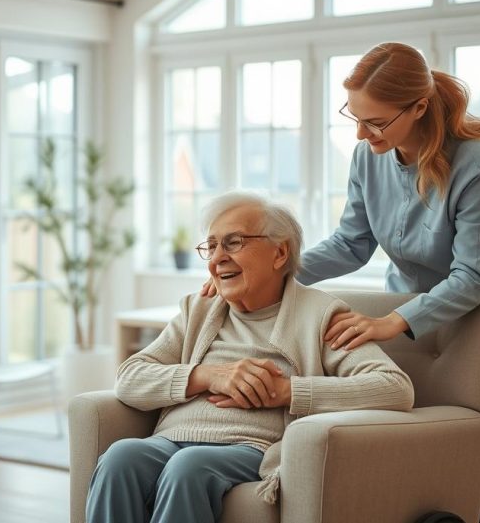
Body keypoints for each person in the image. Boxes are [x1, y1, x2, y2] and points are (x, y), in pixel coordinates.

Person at [201, 42, 480, 523]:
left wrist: (392, 323)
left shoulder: (476, 164)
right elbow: (351, 243)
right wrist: (263, 271)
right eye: (354, 116)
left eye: (375, 121)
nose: (360, 132)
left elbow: (472, 278)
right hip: (407, 312)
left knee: (474, 458)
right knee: (406, 442)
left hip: (479, 318)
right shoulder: (369, 157)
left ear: (418, 107)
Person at [87, 192, 414, 523]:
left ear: (280, 252)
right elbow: (129, 377)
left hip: (250, 446)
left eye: (232, 243)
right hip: (170, 439)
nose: (217, 259)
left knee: (188, 468)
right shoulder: (197, 310)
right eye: (211, 247)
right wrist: (208, 375)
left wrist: (288, 391)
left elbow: (394, 387)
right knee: (120, 457)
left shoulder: (320, 315)